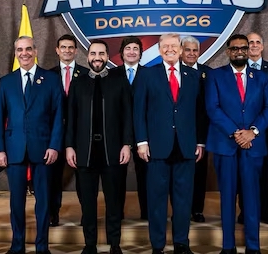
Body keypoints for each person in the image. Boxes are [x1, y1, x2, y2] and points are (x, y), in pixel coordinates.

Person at [134, 33, 206, 254]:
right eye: (165, 46)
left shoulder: (194, 76)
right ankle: (158, 245)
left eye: (174, 46)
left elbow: (200, 112)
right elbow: (138, 111)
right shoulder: (147, 75)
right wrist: (142, 142)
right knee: (156, 200)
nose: (170, 49)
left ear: (181, 49)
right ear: (159, 49)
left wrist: (200, 142)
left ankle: (181, 243)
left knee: (183, 200)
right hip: (157, 148)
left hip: (186, 147)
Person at [0, 36, 63, 254]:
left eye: (28, 49)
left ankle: (42, 247)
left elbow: (59, 115)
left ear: (35, 51)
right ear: (16, 53)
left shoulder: (51, 79)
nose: (24, 53)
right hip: (14, 149)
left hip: (43, 149)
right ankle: (17, 246)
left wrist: (54, 146)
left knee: (43, 201)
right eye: (20, 50)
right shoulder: (6, 82)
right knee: (16, 202)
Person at [65, 39, 133, 254]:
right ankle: (90, 244)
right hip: (85, 152)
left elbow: (127, 116)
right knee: (88, 203)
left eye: (101, 53)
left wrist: (127, 144)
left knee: (114, 202)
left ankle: (115, 243)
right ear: (87, 57)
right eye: (93, 53)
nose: (97, 58)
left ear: (107, 56)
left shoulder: (119, 81)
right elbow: (71, 117)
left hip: (112, 151)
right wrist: (69, 146)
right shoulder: (78, 83)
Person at [205, 34, 268, 254]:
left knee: (252, 197)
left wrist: (252, 132)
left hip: (253, 146)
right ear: (228, 51)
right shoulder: (215, 76)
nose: (240, 51)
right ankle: (228, 246)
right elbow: (213, 108)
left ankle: (253, 246)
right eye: (235, 48)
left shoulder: (261, 77)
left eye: (244, 47)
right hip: (226, 146)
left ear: (249, 50)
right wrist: (236, 134)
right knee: (227, 197)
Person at [238, 32, 268, 225]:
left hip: (266, 130)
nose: (254, 45)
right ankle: (244, 211)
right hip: (241, 131)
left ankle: (264, 210)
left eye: (257, 42)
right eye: (250, 42)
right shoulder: (238, 68)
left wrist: (258, 128)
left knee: (263, 171)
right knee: (243, 171)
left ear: (262, 46)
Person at [48, 34, 88, 226]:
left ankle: (86, 214)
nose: (67, 50)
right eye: (63, 47)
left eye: (71, 47)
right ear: (57, 50)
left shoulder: (86, 74)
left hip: (80, 135)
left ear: (76, 50)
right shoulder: (48, 75)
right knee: (53, 177)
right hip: (54, 134)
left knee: (83, 178)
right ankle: (52, 214)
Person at [111, 36, 147, 220]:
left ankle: (147, 214)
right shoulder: (111, 74)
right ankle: (117, 214)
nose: (132, 52)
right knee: (117, 177)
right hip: (118, 135)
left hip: (144, 134)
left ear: (141, 53)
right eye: (128, 48)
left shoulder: (149, 74)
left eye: (135, 49)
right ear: (121, 52)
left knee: (146, 176)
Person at [180, 35, 211, 223]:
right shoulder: (173, 72)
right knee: (180, 175)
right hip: (178, 132)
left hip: (201, 132)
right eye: (188, 50)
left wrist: (202, 139)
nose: (191, 53)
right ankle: (180, 210)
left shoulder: (208, 73)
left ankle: (197, 210)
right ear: (181, 51)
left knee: (199, 173)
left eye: (195, 50)